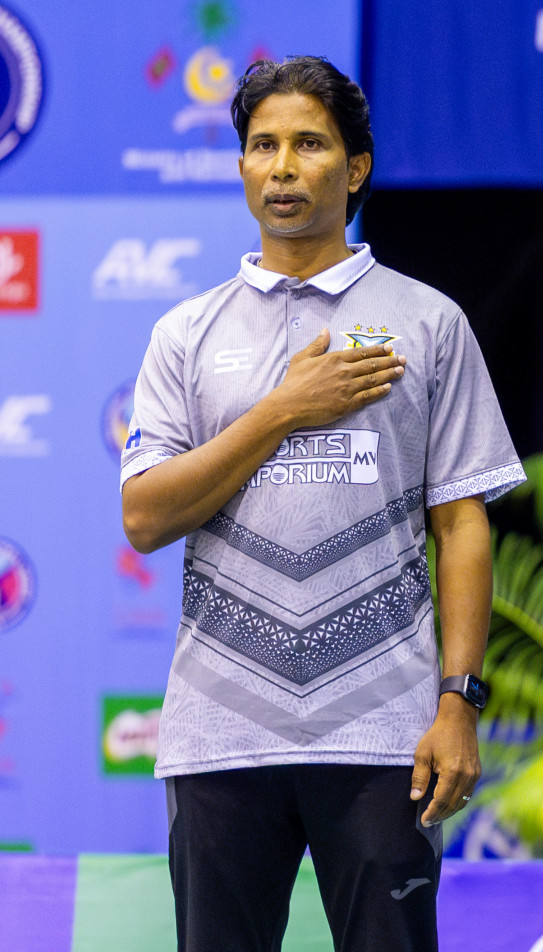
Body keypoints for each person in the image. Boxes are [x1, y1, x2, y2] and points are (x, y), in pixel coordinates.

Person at [119, 56, 522, 952]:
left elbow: (461, 522)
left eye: (309, 143)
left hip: (385, 732)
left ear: (358, 167)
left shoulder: (428, 322)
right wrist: (284, 411)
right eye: (263, 146)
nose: (283, 166)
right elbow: (145, 517)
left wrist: (457, 701)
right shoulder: (186, 332)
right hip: (222, 733)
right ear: (240, 168)